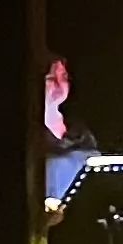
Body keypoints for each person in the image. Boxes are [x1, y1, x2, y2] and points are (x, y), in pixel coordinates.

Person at [36, 53, 101, 223]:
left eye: (63, 77)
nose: (59, 84)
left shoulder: (80, 132)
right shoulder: (31, 132)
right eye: (51, 77)